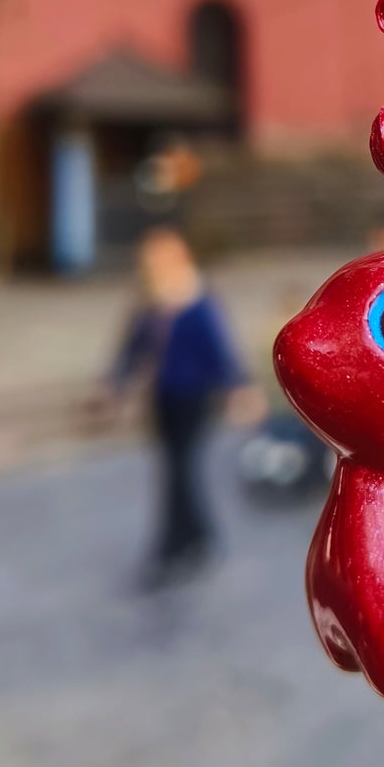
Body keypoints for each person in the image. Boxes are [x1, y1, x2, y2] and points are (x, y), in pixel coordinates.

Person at [101, 229, 255, 588]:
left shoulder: (198, 299)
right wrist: (114, 385)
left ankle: (170, 548)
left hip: (195, 398)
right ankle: (200, 537)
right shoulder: (150, 300)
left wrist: (240, 387)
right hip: (163, 397)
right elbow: (133, 347)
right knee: (174, 469)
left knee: (180, 472)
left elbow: (220, 349)